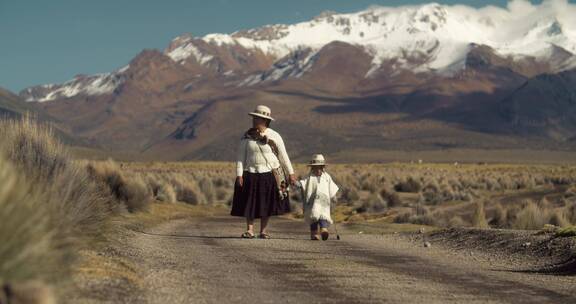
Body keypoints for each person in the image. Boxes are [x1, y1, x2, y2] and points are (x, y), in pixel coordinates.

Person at [231, 105, 296, 239]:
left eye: (258, 118)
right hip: (250, 173)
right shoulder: (247, 136)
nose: (255, 120)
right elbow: (240, 157)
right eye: (254, 118)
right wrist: (239, 174)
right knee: (250, 202)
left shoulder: (275, 136)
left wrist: (291, 173)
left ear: (265, 120)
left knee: (266, 202)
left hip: (269, 174)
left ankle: (264, 231)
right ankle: (249, 230)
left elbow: (283, 156)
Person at [297, 154, 339, 241]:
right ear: (312, 168)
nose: (318, 170)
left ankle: (324, 230)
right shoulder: (309, 176)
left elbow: (331, 187)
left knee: (323, 215)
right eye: (316, 168)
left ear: (323, 167)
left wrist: (333, 195)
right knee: (313, 217)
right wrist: (298, 184)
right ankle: (314, 234)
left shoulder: (327, 177)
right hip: (312, 203)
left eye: (320, 167)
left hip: (324, 202)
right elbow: (303, 183)